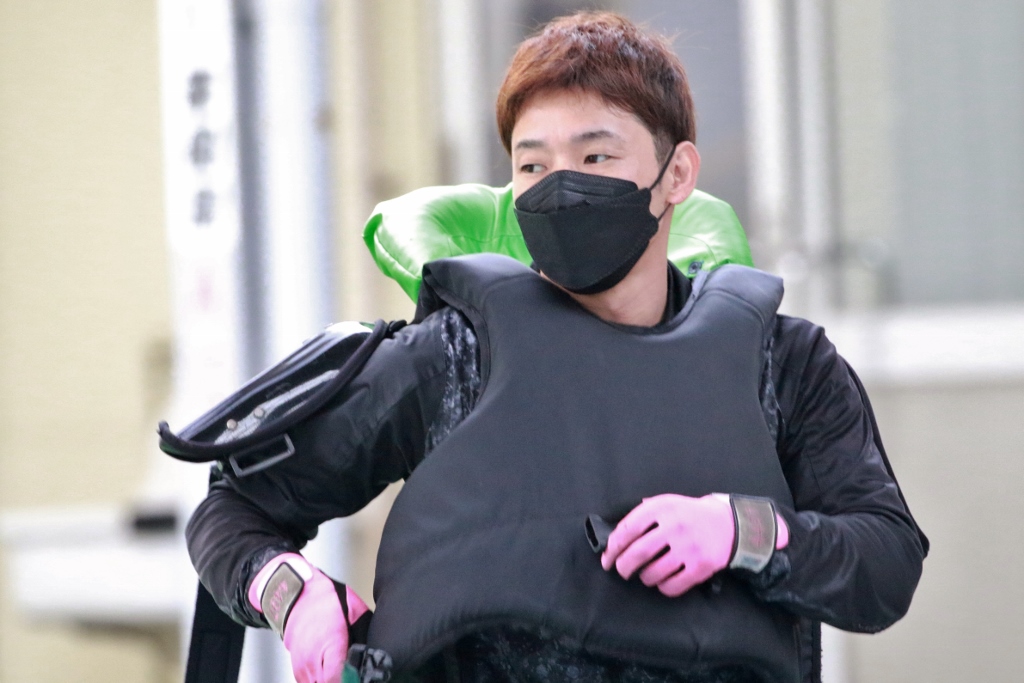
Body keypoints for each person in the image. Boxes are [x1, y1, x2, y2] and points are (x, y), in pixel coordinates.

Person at [180, 11, 927, 683]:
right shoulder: (452, 358)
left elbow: (885, 560)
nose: (560, 188)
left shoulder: (784, 364)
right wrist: (291, 593)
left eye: (595, 158)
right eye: (532, 165)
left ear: (677, 175)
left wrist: (743, 531)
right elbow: (235, 509)